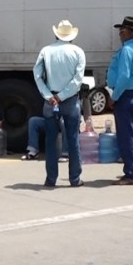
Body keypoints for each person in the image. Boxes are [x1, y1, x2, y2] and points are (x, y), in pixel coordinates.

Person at [32, 20, 86, 188]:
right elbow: (77, 80)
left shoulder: (46, 51)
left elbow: (37, 74)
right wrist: (62, 96)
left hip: (50, 101)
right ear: (71, 36)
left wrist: (49, 96)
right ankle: (74, 178)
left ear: (56, 34)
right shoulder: (78, 52)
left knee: (51, 140)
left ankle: (51, 179)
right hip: (69, 99)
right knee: (73, 139)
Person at [107, 16, 133, 185]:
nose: (120, 34)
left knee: (126, 135)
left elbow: (124, 76)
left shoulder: (127, 50)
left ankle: (130, 173)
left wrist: (114, 97)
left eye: (122, 31)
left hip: (125, 94)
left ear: (130, 32)